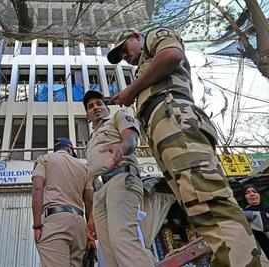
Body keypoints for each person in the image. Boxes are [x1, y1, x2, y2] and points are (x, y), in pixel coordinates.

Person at [108, 27, 262, 266]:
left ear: (135, 36)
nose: (124, 58)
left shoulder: (154, 37)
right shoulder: (145, 67)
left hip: (175, 119)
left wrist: (132, 90)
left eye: (122, 50)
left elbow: (172, 56)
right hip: (165, 128)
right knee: (198, 207)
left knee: (208, 200)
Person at [83, 90, 155, 267]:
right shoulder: (91, 140)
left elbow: (130, 141)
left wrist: (122, 147)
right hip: (100, 191)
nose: (96, 108)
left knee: (122, 240)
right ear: (87, 115)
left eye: (99, 103)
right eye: (91, 106)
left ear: (106, 108)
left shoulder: (118, 116)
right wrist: (90, 216)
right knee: (107, 252)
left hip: (121, 178)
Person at [32, 137, 94, 267]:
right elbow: (89, 201)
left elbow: (38, 189)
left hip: (56, 221)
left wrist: (37, 226)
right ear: (70, 149)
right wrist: (89, 231)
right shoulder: (84, 167)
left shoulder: (44, 159)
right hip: (79, 224)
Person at [243, 185, 269, 259]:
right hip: (262, 254)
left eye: (254, 191)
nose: (252, 194)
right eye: (247, 192)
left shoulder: (267, 208)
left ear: (259, 195)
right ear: (244, 197)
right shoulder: (243, 215)